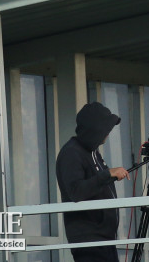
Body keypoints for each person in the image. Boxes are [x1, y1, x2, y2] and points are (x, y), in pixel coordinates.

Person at [55, 102, 131, 262]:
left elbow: (95, 183)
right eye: (106, 128)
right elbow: (76, 191)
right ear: (95, 129)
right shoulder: (71, 153)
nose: (108, 133)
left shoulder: (92, 151)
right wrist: (108, 174)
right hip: (88, 241)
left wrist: (108, 176)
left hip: (104, 239)